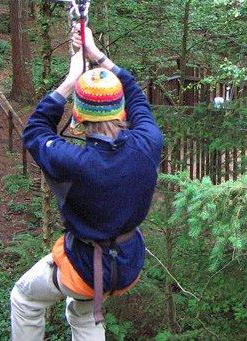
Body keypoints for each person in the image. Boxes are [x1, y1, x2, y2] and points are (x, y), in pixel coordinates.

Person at [12, 25, 163, 340]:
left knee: (24, 297)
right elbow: (135, 92)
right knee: (82, 310)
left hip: (84, 266)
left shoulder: (74, 163)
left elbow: (35, 131)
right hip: (129, 262)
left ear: (78, 118)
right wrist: (98, 57)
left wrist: (71, 79)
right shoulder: (148, 142)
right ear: (121, 109)